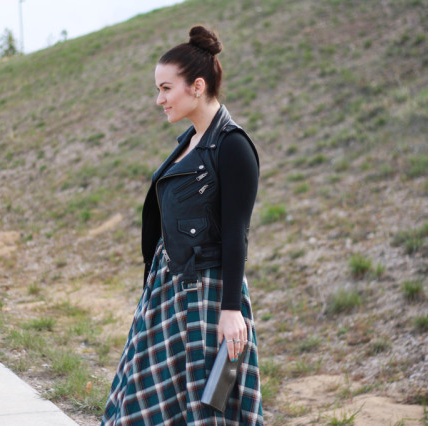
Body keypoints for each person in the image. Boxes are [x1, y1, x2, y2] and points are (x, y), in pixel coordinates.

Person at [101, 25, 263, 425]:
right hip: (168, 289)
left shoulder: (233, 146)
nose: (159, 99)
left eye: (165, 88)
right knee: (139, 400)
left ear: (197, 86)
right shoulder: (190, 141)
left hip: (207, 295)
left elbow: (236, 233)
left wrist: (230, 311)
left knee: (208, 407)